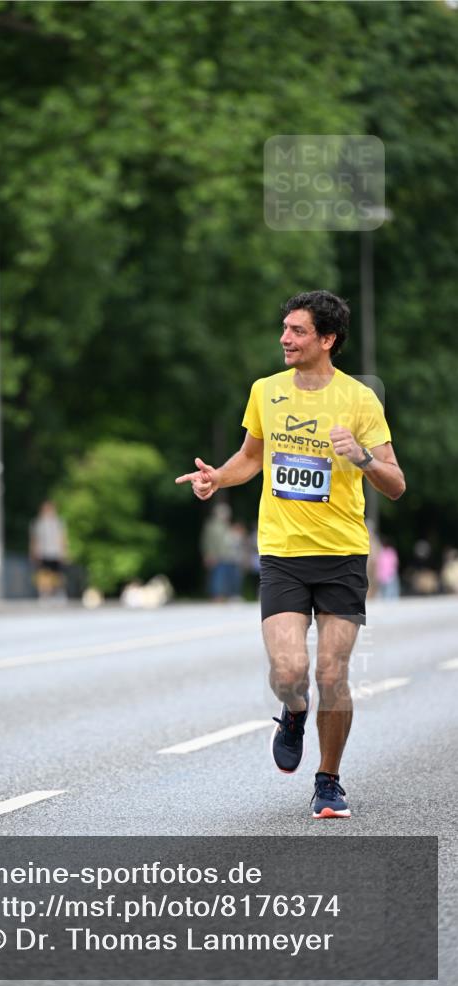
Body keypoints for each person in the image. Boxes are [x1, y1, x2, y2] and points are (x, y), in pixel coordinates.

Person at [176, 290, 405, 819]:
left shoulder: (360, 400)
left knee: (331, 673)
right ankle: (294, 710)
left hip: (343, 553)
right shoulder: (265, 391)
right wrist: (217, 477)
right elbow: (250, 458)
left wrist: (363, 456)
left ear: (327, 339)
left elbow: (395, 484)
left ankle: (328, 780)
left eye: (297, 331)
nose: (285, 338)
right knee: (288, 671)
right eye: (284, 328)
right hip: (281, 552)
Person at [29, 500, 68, 600]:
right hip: (43, 553)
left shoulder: (58, 522)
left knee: (57, 574)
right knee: (43, 574)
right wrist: (33, 552)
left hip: (55, 552)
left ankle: (58, 592)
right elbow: (34, 539)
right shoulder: (37, 523)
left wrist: (64, 551)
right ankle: (44, 593)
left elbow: (62, 538)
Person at [200, 502, 233, 601]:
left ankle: (224, 595)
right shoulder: (211, 525)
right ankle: (216, 596)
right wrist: (208, 554)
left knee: (224, 576)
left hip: (226, 555)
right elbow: (207, 540)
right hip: (215, 555)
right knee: (216, 577)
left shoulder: (226, 525)